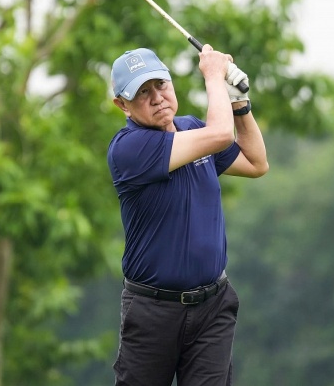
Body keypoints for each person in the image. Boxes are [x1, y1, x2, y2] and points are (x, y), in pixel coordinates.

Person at [106, 44, 269, 386]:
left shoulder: (192, 128)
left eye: (160, 85)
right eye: (142, 93)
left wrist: (239, 103)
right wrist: (214, 75)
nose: (157, 98)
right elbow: (220, 134)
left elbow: (256, 163)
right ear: (122, 104)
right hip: (153, 311)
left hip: (213, 307)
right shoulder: (129, 148)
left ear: (170, 82)